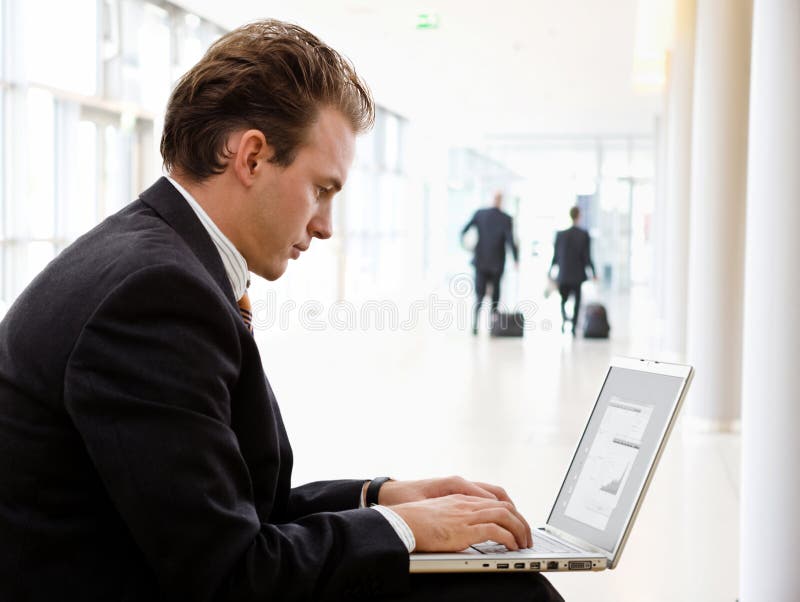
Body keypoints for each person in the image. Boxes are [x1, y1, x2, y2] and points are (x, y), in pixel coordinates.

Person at [0, 20, 562, 602]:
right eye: (321, 189)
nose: (325, 226)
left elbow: (234, 511)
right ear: (251, 157)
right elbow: (233, 575)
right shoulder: (154, 296)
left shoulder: (154, 258)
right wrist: (405, 531)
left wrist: (383, 499)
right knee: (506, 595)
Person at [460, 192, 519, 335]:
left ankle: (475, 325)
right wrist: (516, 259)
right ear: (501, 201)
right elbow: (511, 241)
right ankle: (493, 327)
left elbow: (463, 231)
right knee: (495, 295)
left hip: (480, 261)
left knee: (479, 294)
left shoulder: (480, 214)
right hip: (497, 263)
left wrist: (467, 246)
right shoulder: (505, 218)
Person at [549, 206, 596, 336]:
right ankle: (574, 327)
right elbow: (587, 257)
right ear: (578, 216)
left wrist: (550, 271)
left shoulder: (560, 234)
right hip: (577, 274)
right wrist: (593, 272)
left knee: (563, 300)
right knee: (577, 301)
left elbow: (556, 256)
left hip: (563, 273)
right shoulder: (583, 235)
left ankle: (565, 320)